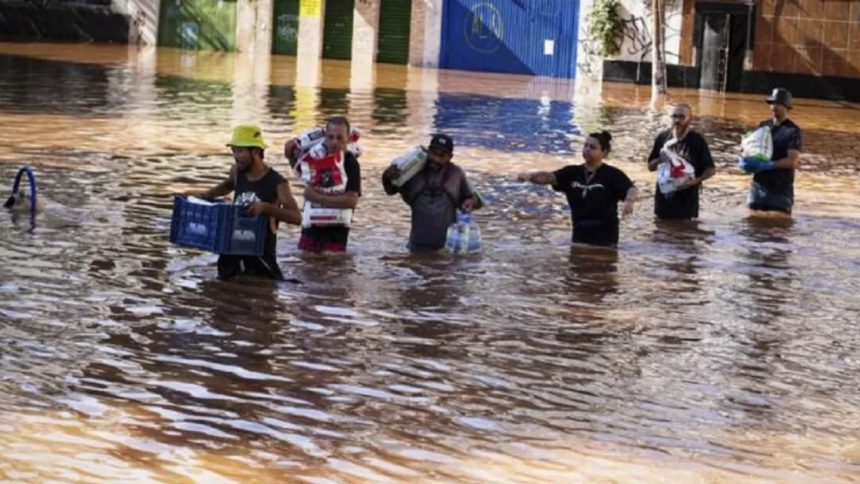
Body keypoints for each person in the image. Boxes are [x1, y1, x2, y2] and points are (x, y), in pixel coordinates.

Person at [189, 124, 302, 280]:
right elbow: (228, 184)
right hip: (231, 249)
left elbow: (296, 217)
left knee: (263, 292)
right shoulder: (237, 171)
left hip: (260, 254)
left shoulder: (277, 182)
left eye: (240, 151)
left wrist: (265, 208)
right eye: (234, 151)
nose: (235, 156)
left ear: (255, 151)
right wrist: (204, 196)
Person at [517, 131, 638, 247]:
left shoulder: (613, 175)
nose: (587, 149)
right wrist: (530, 176)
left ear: (604, 152)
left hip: (605, 239)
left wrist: (629, 201)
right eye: (585, 146)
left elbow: (631, 189)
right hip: (579, 236)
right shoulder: (572, 172)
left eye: (592, 147)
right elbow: (549, 177)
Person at [381, 134, 482, 252]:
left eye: (442, 155)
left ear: (450, 157)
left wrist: (471, 202)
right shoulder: (413, 170)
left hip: (447, 248)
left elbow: (476, 199)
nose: (436, 159)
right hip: (417, 245)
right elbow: (390, 190)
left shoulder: (456, 174)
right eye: (433, 153)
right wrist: (387, 175)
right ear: (428, 151)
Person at [293, 116, 361, 253]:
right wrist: (290, 153)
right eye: (330, 137)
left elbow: (352, 200)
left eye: (339, 138)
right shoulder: (315, 157)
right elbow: (301, 174)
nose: (334, 142)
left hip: (335, 233)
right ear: (324, 137)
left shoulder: (350, 163)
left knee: (334, 267)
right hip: (311, 229)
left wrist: (318, 198)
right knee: (306, 266)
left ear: (348, 138)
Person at [646, 103, 716, 220]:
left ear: (690, 119)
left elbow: (711, 169)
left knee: (685, 234)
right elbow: (650, 167)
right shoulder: (662, 137)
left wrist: (696, 181)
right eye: (674, 116)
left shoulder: (697, 141)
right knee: (660, 233)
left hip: (687, 204)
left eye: (682, 117)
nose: (677, 120)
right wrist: (659, 160)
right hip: (663, 201)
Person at [739, 88, 802, 214]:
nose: (774, 107)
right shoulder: (763, 126)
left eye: (778, 104)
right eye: (772, 103)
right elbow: (751, 148)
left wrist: (770, 165)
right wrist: (745, 157)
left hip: (781, 190)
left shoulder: (793, 131)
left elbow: (792, 161)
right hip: (758, 187)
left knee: (779, 226)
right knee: (751, 226)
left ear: (786, 107)